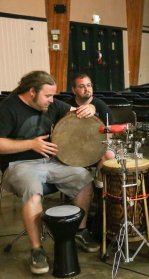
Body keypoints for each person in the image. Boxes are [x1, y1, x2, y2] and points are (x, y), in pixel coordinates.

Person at [0, 71, 101, 275]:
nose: (52, 100)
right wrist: (30, 144)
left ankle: (80, 231)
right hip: (19, 165)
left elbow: (77, 110)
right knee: (33, 188)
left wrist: (90, 107)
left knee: (83, 178)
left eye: (53, 96)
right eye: (47, 96)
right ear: (31, 92)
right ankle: (37, 249)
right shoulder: (8, 108)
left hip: (50, 162)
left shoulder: (52, 105)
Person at [68, 73, 115, 188]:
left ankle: (98, 182)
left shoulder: (101, 106)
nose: (87, 89)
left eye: (89, 85)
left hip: (97, 146)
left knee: (109, 154)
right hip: (74, 147)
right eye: (82, 86)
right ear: (74, 90)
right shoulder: (67, 105)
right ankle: (80, 188)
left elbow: (111, 131)